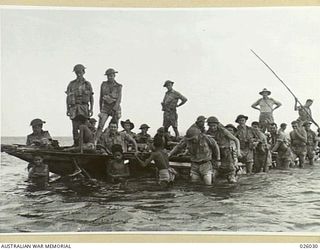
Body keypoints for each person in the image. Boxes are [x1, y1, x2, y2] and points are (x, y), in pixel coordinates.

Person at [206, 116, 240, 183]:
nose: (212, 127)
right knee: (213, 174)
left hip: (225, 152)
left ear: (217, 124)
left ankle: (232, 176)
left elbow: (236, 140)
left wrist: (238, 151)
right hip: (215, 153)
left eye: (214, 126)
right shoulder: (208, 132)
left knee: (231, 175)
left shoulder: (223, 131)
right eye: (210, 126)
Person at [66, 64, 94, 146]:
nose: (78, 74)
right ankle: (76, 143)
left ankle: (85, 143)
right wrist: (67, 109)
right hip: (74, 108)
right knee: (75, 127)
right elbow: (68, 98)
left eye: (80, 72)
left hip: (84, 107)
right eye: (77, 72)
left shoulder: (87, 84)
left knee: (85, 127)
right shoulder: (71, 84)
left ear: (83, 72)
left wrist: (91, 109)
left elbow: (91, 97)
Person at [95, 68, 122, 144]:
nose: (110, 77)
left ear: (114, 75)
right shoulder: (103, 84)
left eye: (111, 75)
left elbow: (119, 99)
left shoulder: (119, 86)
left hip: (115, 108)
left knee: (114, 126)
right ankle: (95, 142)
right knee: (100, 126)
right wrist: (101, 109)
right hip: (105, 107)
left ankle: (115, 142)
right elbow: (100, 97)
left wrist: (114, 109)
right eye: (108, 76)